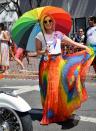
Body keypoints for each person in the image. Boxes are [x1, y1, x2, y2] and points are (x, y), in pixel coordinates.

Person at [35, 14, 93, 125]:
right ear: (43, 23)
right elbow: (37, 51)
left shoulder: (58, 34)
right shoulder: (39, 35)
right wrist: (44, 51)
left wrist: (85, 47)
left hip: (59, 62)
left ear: (53, 22)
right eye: (45, 21)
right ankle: (49, 115)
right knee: (51, 89)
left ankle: (60, 112)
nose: (48, 23)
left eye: (50, 21)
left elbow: (72, 42)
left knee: (61, 88)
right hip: (47, 64)